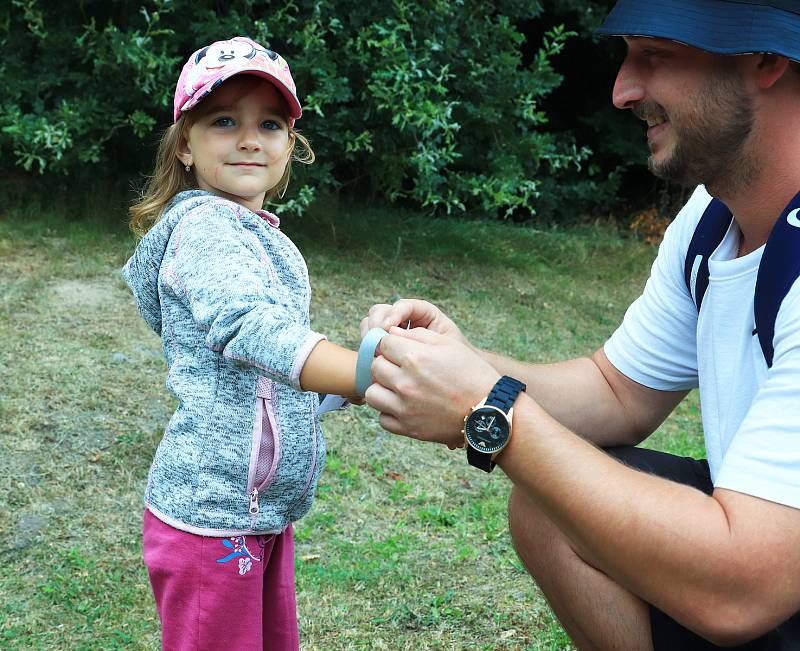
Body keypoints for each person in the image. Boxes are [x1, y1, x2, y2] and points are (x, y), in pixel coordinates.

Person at [361, 1, 800, 649]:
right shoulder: (711, 221)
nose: (623, 90)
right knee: (550, 505)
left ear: (765, 58)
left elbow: (744, 589)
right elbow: (616, 391)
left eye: (657, 54)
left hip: (761, 577)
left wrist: (488, 408)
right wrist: (462, 364)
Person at [122, 36, 362, 651]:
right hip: (211, 517)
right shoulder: (203, 227)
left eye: (270, 123)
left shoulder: (247, 231)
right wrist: (361, 371)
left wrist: (339, 391)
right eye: (224, 120)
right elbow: (250, 329)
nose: (250, 138)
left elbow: (259, 379)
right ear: (184, 142)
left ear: (290, 146)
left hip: (254, 510)